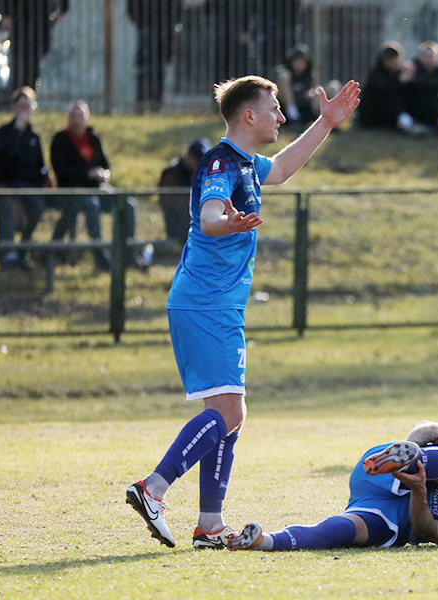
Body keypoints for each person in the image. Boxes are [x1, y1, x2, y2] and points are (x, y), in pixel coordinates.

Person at [125, 75, 361, 550]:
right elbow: (210, 214)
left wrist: (327, 122)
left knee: (230, 412)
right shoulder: (219, 163)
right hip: (205, 303)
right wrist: (223, 223)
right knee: (229, 412)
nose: (280, 115)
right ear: (249, 115)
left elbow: (284, 169)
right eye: (274, 108)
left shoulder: (246, 162)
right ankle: (153, 488)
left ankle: (210, 525)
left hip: (215, 304)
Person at [225, 420, 438, 550]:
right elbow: (431, 427)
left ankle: (263, 541)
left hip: (391, 511)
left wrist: (419, 490)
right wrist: (412, 454)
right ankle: (405, 458)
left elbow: (431, 530)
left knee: (347, 534)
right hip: (380, 470)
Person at [50, 101, 139, 271]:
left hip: (97, 187)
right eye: (73, 117)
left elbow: (106, 164)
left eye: (80, 117)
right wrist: (88, 173)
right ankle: (102, 259)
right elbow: (61, 171)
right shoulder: (60, 140)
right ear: (67, 118)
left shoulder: (93, 138)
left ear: (87, 118)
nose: (77, 121)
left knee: (127, 204)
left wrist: (106, 174)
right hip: (71, 190)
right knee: (92, 205)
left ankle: (128, 257)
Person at [0, 85, 49, 271]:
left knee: (38, 207)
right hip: (7, 185)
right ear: (14, 107)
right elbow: (3, 159)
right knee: (6, 208)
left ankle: (22, 250)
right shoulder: (3, 133)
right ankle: (6, 256)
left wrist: (46, 179)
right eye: (21, 106)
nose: (24, 110)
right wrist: (16, 131)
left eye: (28, 106)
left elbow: (40, 165)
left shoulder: (34, 136)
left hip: (29, 186)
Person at [127, 0, 182, 113]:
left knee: (157, 69)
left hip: (162, 28)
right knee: (147, 69)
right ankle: (144, 105)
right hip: (151, 28)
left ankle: (153, 105)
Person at [1, 0, 69, 91]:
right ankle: (17, 97)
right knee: (18, 64)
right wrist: (5, 14)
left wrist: (62, 10)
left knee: (34, 65)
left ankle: (30, 97)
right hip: (18, 17)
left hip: (41, 20)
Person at [157, 138, 209, 246]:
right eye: (197, 160)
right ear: (189, 156)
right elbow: (172, 201)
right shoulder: (172, 173)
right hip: (178, 221)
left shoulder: (203, 174)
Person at [356, 41, 413, 131]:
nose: (397, 62)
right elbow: (385, 91)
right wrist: (401, 81)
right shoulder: (377, 74)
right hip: (371, 115)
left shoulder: (397, 73)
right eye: (394, 60)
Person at [274, 44, 318, 130]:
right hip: (285, 109)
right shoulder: (284, 74)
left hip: (304, 106)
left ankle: (328, 120)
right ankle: (293, 118)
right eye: (297, 61)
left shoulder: (309, 75)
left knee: (332, 87)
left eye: (303, 62)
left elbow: (312, 90)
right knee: (284, 76)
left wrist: (312, 93)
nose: (300, 64)